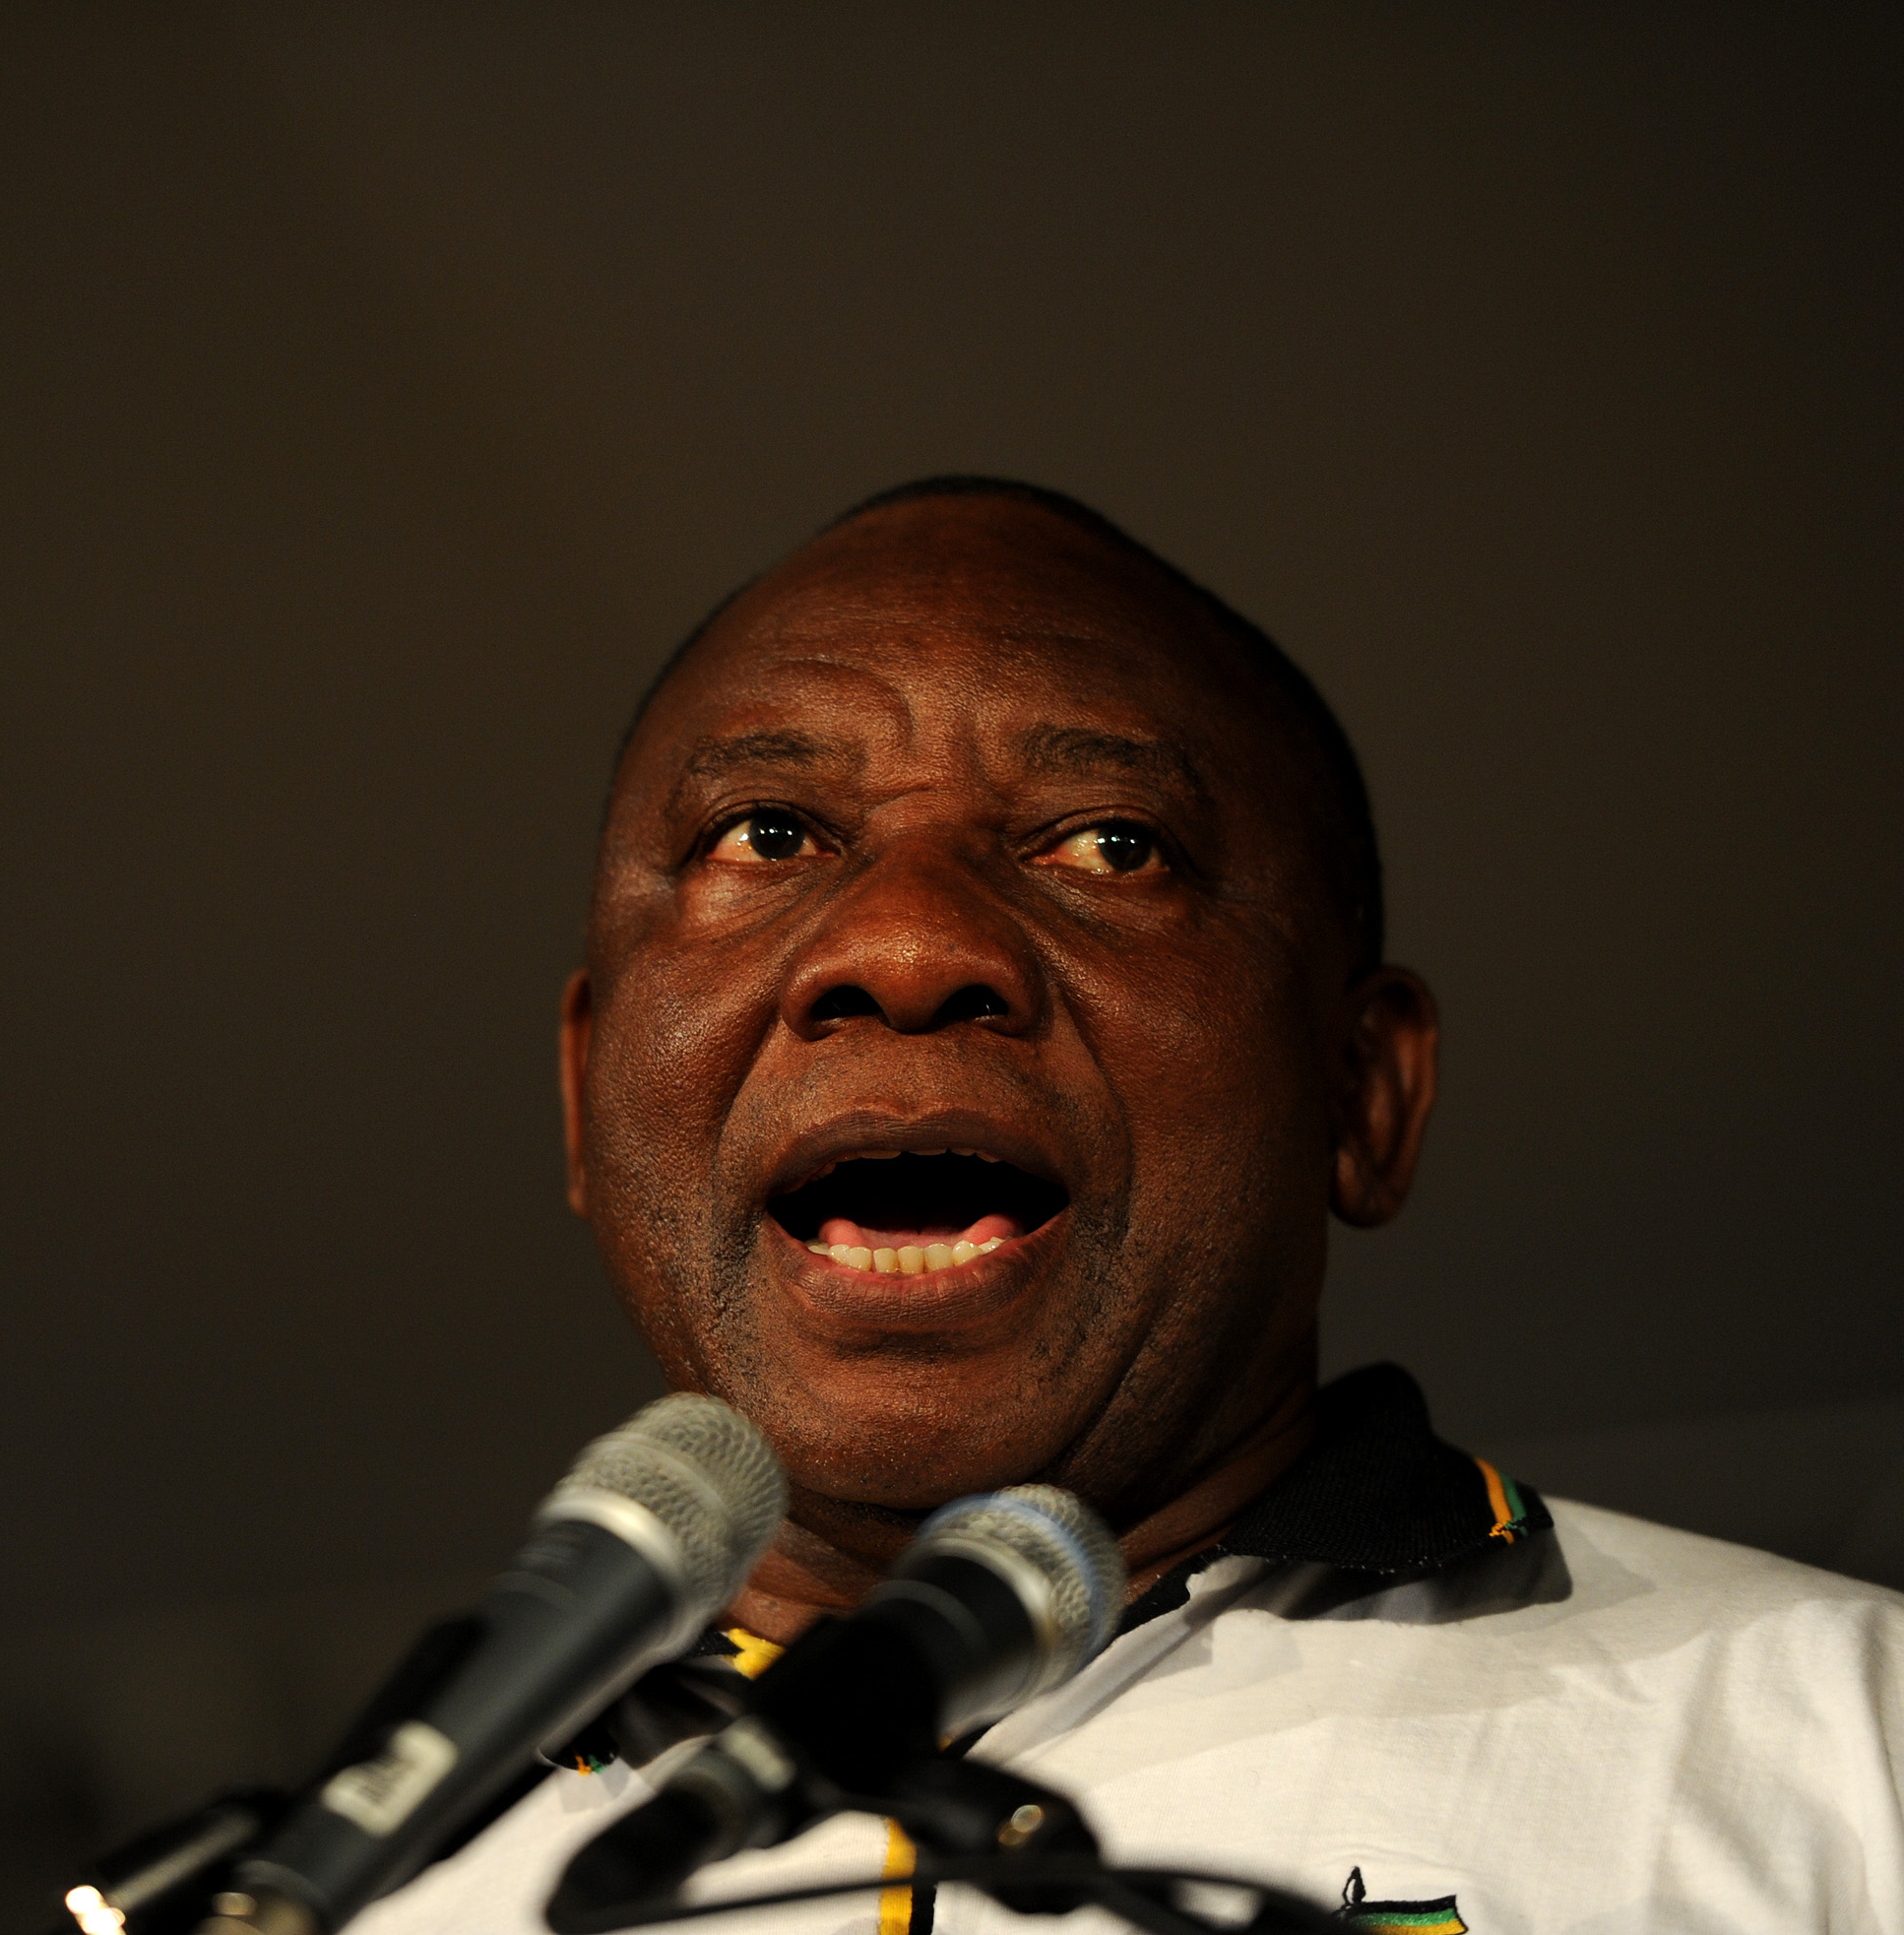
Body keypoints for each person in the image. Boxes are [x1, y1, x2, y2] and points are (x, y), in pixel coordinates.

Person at [349, 481, 1904, 1934]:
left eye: (1111, 843)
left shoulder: (1847, 1742)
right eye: (765, 833)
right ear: (584, 1090)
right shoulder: (358, 1884)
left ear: (1362, 1091)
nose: (904, 946)